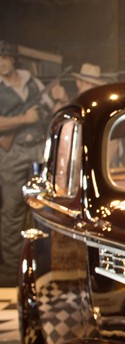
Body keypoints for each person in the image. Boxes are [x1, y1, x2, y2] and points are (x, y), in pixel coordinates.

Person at [0, 40, 52, 283]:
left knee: (44, 207)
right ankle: (13, 271)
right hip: (13, 153)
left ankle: (43, 263)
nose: (1, 63)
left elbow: (48, 109)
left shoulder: (33, 83)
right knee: (12, 211)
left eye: (5, 58)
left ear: (12, 59)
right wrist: (25, 119)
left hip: (38, 150)